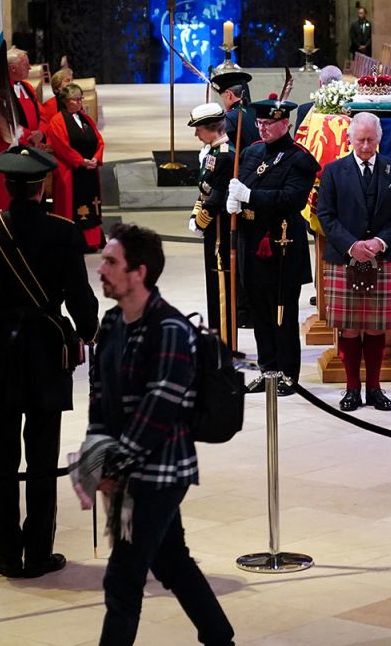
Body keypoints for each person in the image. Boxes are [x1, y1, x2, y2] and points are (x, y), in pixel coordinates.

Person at [0, 146, 99, 579]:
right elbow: (80, 299)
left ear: (9, 185)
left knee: (1, 459)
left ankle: (6, 553)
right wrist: (88, 334)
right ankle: (38, 553)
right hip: (44, 352)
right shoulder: (64, 232)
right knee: (41, 456)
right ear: (42, 186)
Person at [87, 223, 235, 646]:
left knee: (123, 577)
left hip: (162, 472)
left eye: (111, 262)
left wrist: (115, 464)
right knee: (171, 561)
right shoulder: (112, 323)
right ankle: (219, 636)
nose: (101, 269)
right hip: (128, 467)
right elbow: (101, 397)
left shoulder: (170, 329)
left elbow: (160, 407)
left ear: (140, 272)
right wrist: (98, 452)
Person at [316, 111, 391, 411]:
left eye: (371, 140)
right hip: (344, 258)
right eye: (360, 140)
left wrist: (379, 242)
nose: (366, 146)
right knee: (350, 328)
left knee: (375, 328)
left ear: (380, 139)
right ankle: (352, 389)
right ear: (350, 139)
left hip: (383, 258)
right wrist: (352, 245)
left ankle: (374, 388)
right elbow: (325, 216)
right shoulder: (333, 171)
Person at [226, 98, 320, 396]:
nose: (262, 129)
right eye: (260, 124)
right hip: (251, 244)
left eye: (268, 124)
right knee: (258, 313)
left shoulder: (300, 159)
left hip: (281, 247)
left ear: (285, 124)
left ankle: (287, 375)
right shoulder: (252, 151)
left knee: (282, 313)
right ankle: (267, 370)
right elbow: (242, 183)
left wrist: (249, 196)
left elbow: (290, 199)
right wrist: (235, 200)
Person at [187, 101, 235, 335]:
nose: (196, 133)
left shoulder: (224, 156)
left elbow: (216, 199)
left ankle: (224, 339)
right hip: (212, 228)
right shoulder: (213, 152)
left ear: (212, 128)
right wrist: (195, 213)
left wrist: (200, 222)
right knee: (213, 285)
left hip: (219, 232)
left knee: (220, 287)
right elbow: (205, 192)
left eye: (199, 129)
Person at [0, 47, 47, 211]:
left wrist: (41, 132)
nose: (30, 68)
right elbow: (3, 124)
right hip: (9, 153)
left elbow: (43, 114)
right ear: (13, 68)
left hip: (31, 152)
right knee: (6, 203)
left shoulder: (28, 87)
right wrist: (29, 137)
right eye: (26, 64)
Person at [47, 82, 106, 251]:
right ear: (66, 101)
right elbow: (62, 146)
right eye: (76, 100)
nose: (80, 102)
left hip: (90, 171)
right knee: (72, 207)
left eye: (81, 99)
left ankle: (92, 240)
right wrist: (81, 161)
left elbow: (99, 140)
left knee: (92, 205)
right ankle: (73, 241)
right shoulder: (57, 121)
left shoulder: (85, 118)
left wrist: (96, 158)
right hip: (70, 172)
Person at [213, 69, 258, 151]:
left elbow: (227, 152)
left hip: (243, 162)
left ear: (229, 94)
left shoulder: (229, 118)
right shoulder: (258, 111)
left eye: (222, 97)